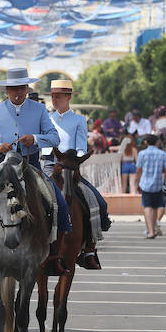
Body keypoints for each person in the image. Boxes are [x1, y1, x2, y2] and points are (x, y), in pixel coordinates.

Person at [0, 68, 71, 276]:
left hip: (32, 165)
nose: (17, 92)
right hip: (3, 166)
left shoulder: (39, 110)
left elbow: (54, 137)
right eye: (13, 88)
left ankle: (54, 255)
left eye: (21, 88)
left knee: (59, 203)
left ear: (27, 89)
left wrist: (35, 139)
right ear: (6, 90)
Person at [40, 79, 110, 269]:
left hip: (71, 169)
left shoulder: (79, 120)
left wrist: (74, 162)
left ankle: (89, 248)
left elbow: (80, 147)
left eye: (59, 96)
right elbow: (44, 146)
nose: (54, 99)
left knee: (98, 202)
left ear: (68, 97)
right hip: (49, 167)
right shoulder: (45, 118)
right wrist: (52, 162)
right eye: (53, 96)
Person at [137, 134, 166, 239]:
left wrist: (137, 182)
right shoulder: (163, 154)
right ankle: (153, 229)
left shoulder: (142, 154)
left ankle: (150, 231)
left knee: (147, 207)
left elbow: (138, 170)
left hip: (145, 184)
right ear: (157, 142)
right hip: (158, 184)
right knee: (155, 207)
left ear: (146, 142)